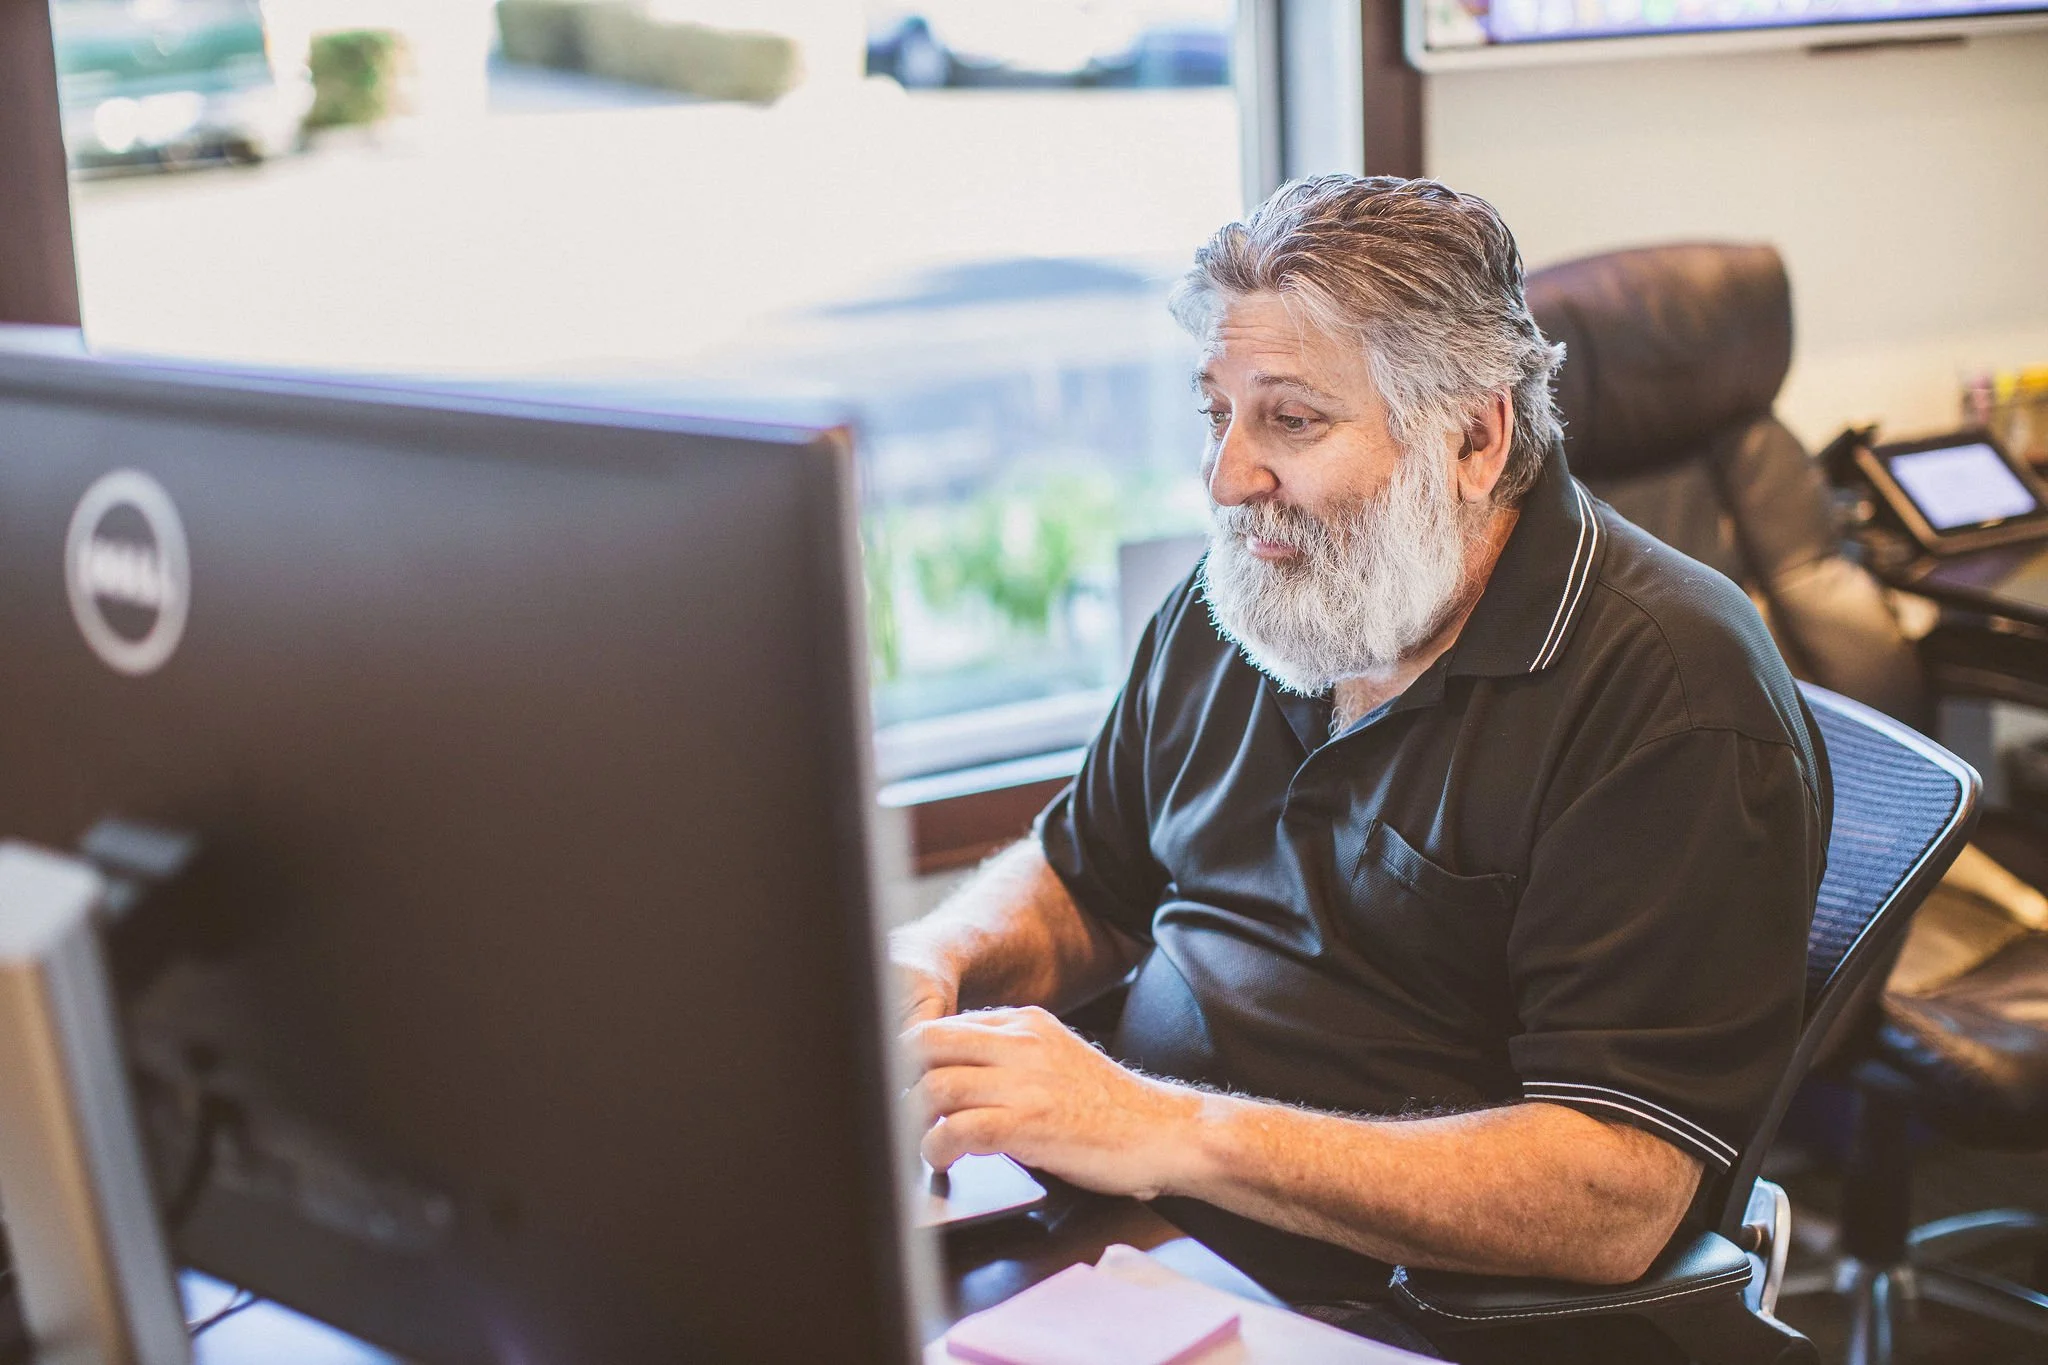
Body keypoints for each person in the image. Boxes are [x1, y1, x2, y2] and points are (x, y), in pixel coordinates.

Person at [891, 176, 1829, 1354]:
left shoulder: (1671, 697)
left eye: (1288, 421)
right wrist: (938, 956)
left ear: (1475, 437)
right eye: (1214, 413)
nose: (1228, 477)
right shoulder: (1253, 596)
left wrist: (1161, 1129)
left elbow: (1615, 1199)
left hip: (1378, 1302)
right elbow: (1088, 874)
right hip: (1134, 1225)